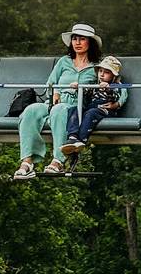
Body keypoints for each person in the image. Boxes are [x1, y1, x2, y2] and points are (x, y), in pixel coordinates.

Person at [12, 23, 101, 179]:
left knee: (59, 111)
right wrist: (56, 92)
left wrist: (83, 89)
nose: (77, 43)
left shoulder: (96, 66)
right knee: (31, 110)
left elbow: (102, 88)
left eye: (82, 39)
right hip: (55, 102)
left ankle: (58, 160)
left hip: (75, 106)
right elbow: (51, 83)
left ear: (90, 42)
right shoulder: (64, 61)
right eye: (74, 39)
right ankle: (27, 161)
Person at [60, 54, 127, 157]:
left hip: (105, 109)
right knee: (74, 110)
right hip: (91, 108)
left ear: (114, 76)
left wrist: (108, 90)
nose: (102, 75)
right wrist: (78, 88)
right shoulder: (95, 84)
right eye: (100, 71)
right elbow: (86, 93)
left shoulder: (116, 86)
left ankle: (81, 141)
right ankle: (72, 136)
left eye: (106, 72)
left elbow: (117, 97)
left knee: (91, 113)